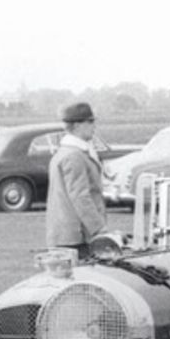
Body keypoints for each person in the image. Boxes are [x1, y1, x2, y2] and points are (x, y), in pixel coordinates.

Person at [45, 103, 107, 258]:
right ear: (78, 125)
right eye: (90, 121)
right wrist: (99, 229)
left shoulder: (66, 152)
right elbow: (80, 197)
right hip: (74, 238)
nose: (94, 126)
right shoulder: (74, 156)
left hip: (67, 235)